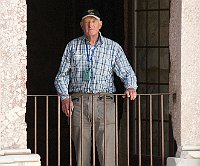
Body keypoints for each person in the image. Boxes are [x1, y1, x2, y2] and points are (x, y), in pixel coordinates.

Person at [54, 8, 137, 166]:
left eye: (93, 21)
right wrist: (65, 97)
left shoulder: (113, 47)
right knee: (81, 152)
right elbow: (62, 76)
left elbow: (127, 72)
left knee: (108, 152)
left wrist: (130, 87)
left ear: (100, 24)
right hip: (78, 103)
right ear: (81, 25)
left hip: (104, 102)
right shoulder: (72, 46)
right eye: (86, 22)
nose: (90, 24)